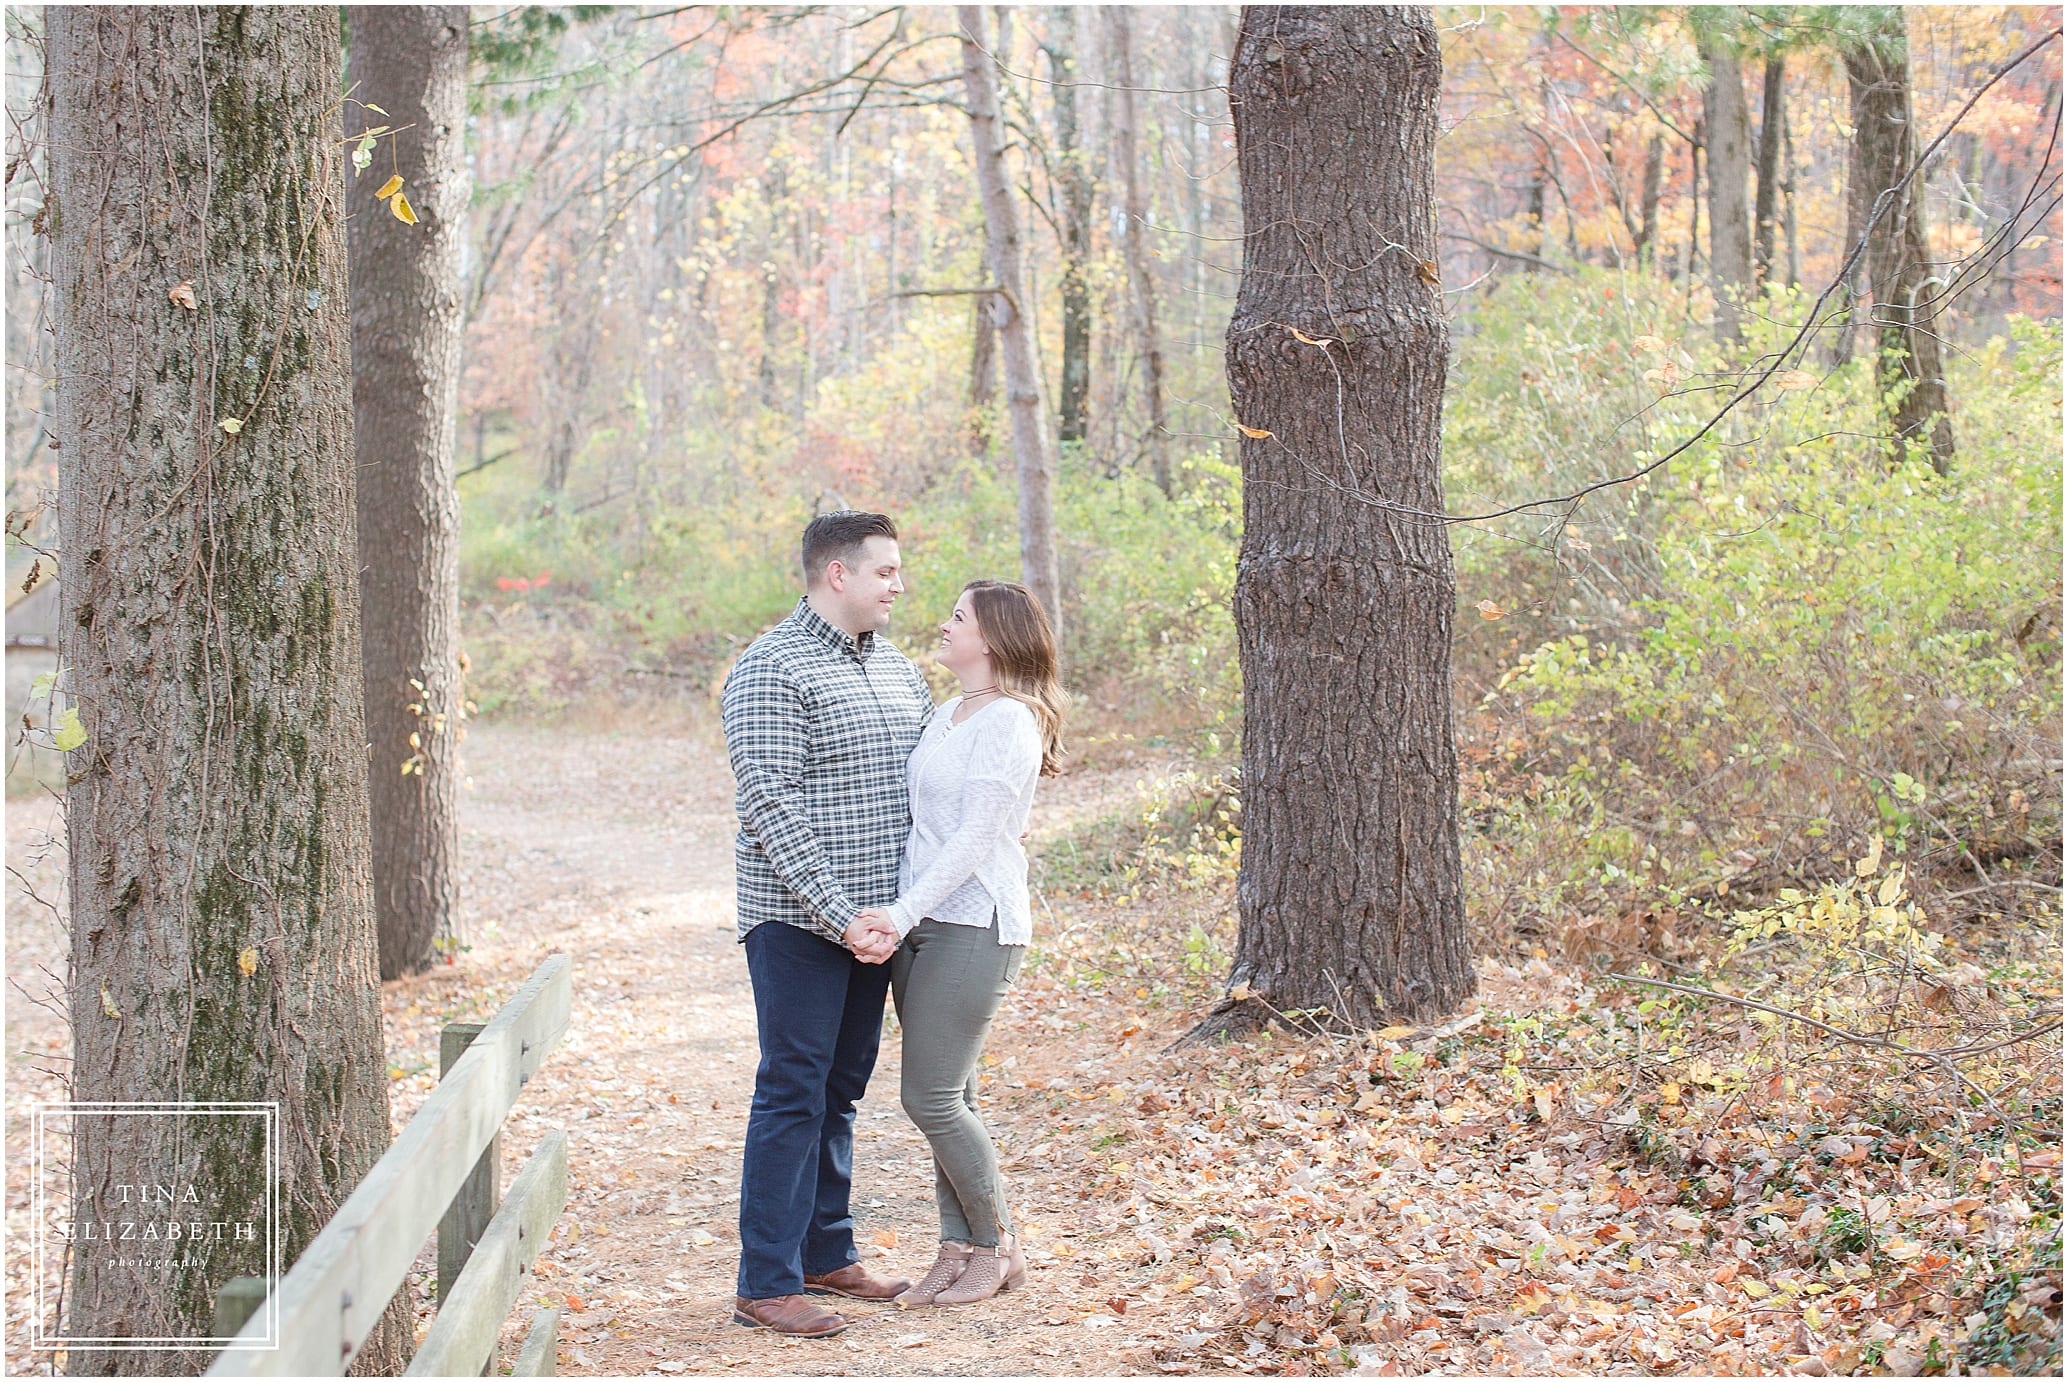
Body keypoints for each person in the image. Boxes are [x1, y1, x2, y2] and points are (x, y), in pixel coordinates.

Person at [721, 510, 931, 1337]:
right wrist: (840, 917)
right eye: (886, 571)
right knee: (792, 1090)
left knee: (840, 1092)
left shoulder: (902, 672)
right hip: (799, 924)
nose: (898, 585)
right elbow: (773, 809)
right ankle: (764, 1282)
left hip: (875, 926)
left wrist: (888, 916)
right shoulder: (771, 670)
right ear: (837, 574)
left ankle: (824, 1252)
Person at [853, 579, 1067, 1307]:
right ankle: (958, 1248)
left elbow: (977, 838)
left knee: (932, 1097)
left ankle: (1000, 1245)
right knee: (957, 1096)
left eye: (957, 617)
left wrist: (902, 912)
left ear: (994, 638)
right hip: (926, 923)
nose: (943, 627)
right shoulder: (949, 712)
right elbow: (928, 826)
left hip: (975, 923)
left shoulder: (1009, 721)